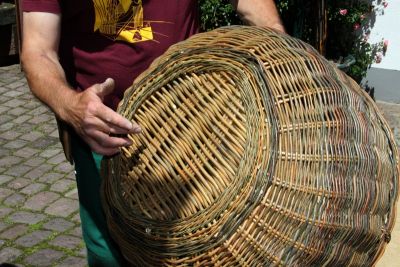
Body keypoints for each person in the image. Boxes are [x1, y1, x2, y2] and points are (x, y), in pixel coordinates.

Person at [20, 0, 285, 266]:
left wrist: (278, 42)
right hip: (105, 138)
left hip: (194, 128)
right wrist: (71, 107)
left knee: (202, 250)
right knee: (111, 255)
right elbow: (37, 52)